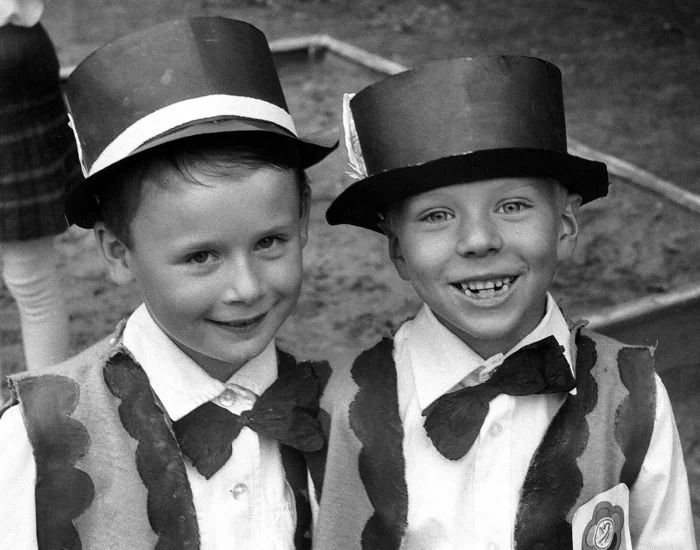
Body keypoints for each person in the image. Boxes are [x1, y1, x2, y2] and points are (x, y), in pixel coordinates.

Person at [314, 55, 696, 549]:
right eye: (436, 216)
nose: (478, 240)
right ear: (399, 251)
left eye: (512, 206)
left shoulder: (635, 395)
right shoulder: (341, 408)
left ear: (565, 226)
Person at [0, 16, 336, 549]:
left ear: (303, 220)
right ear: (119, 252)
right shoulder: (35, 445)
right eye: (201, 256)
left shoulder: (347, 414)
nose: (247, 288)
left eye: (270, 242)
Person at [0, 0, 80, 374]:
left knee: (32, 284)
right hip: (20, 50)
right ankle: (48, 396)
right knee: (33, 283)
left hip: (11, 61)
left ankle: (48, 398)